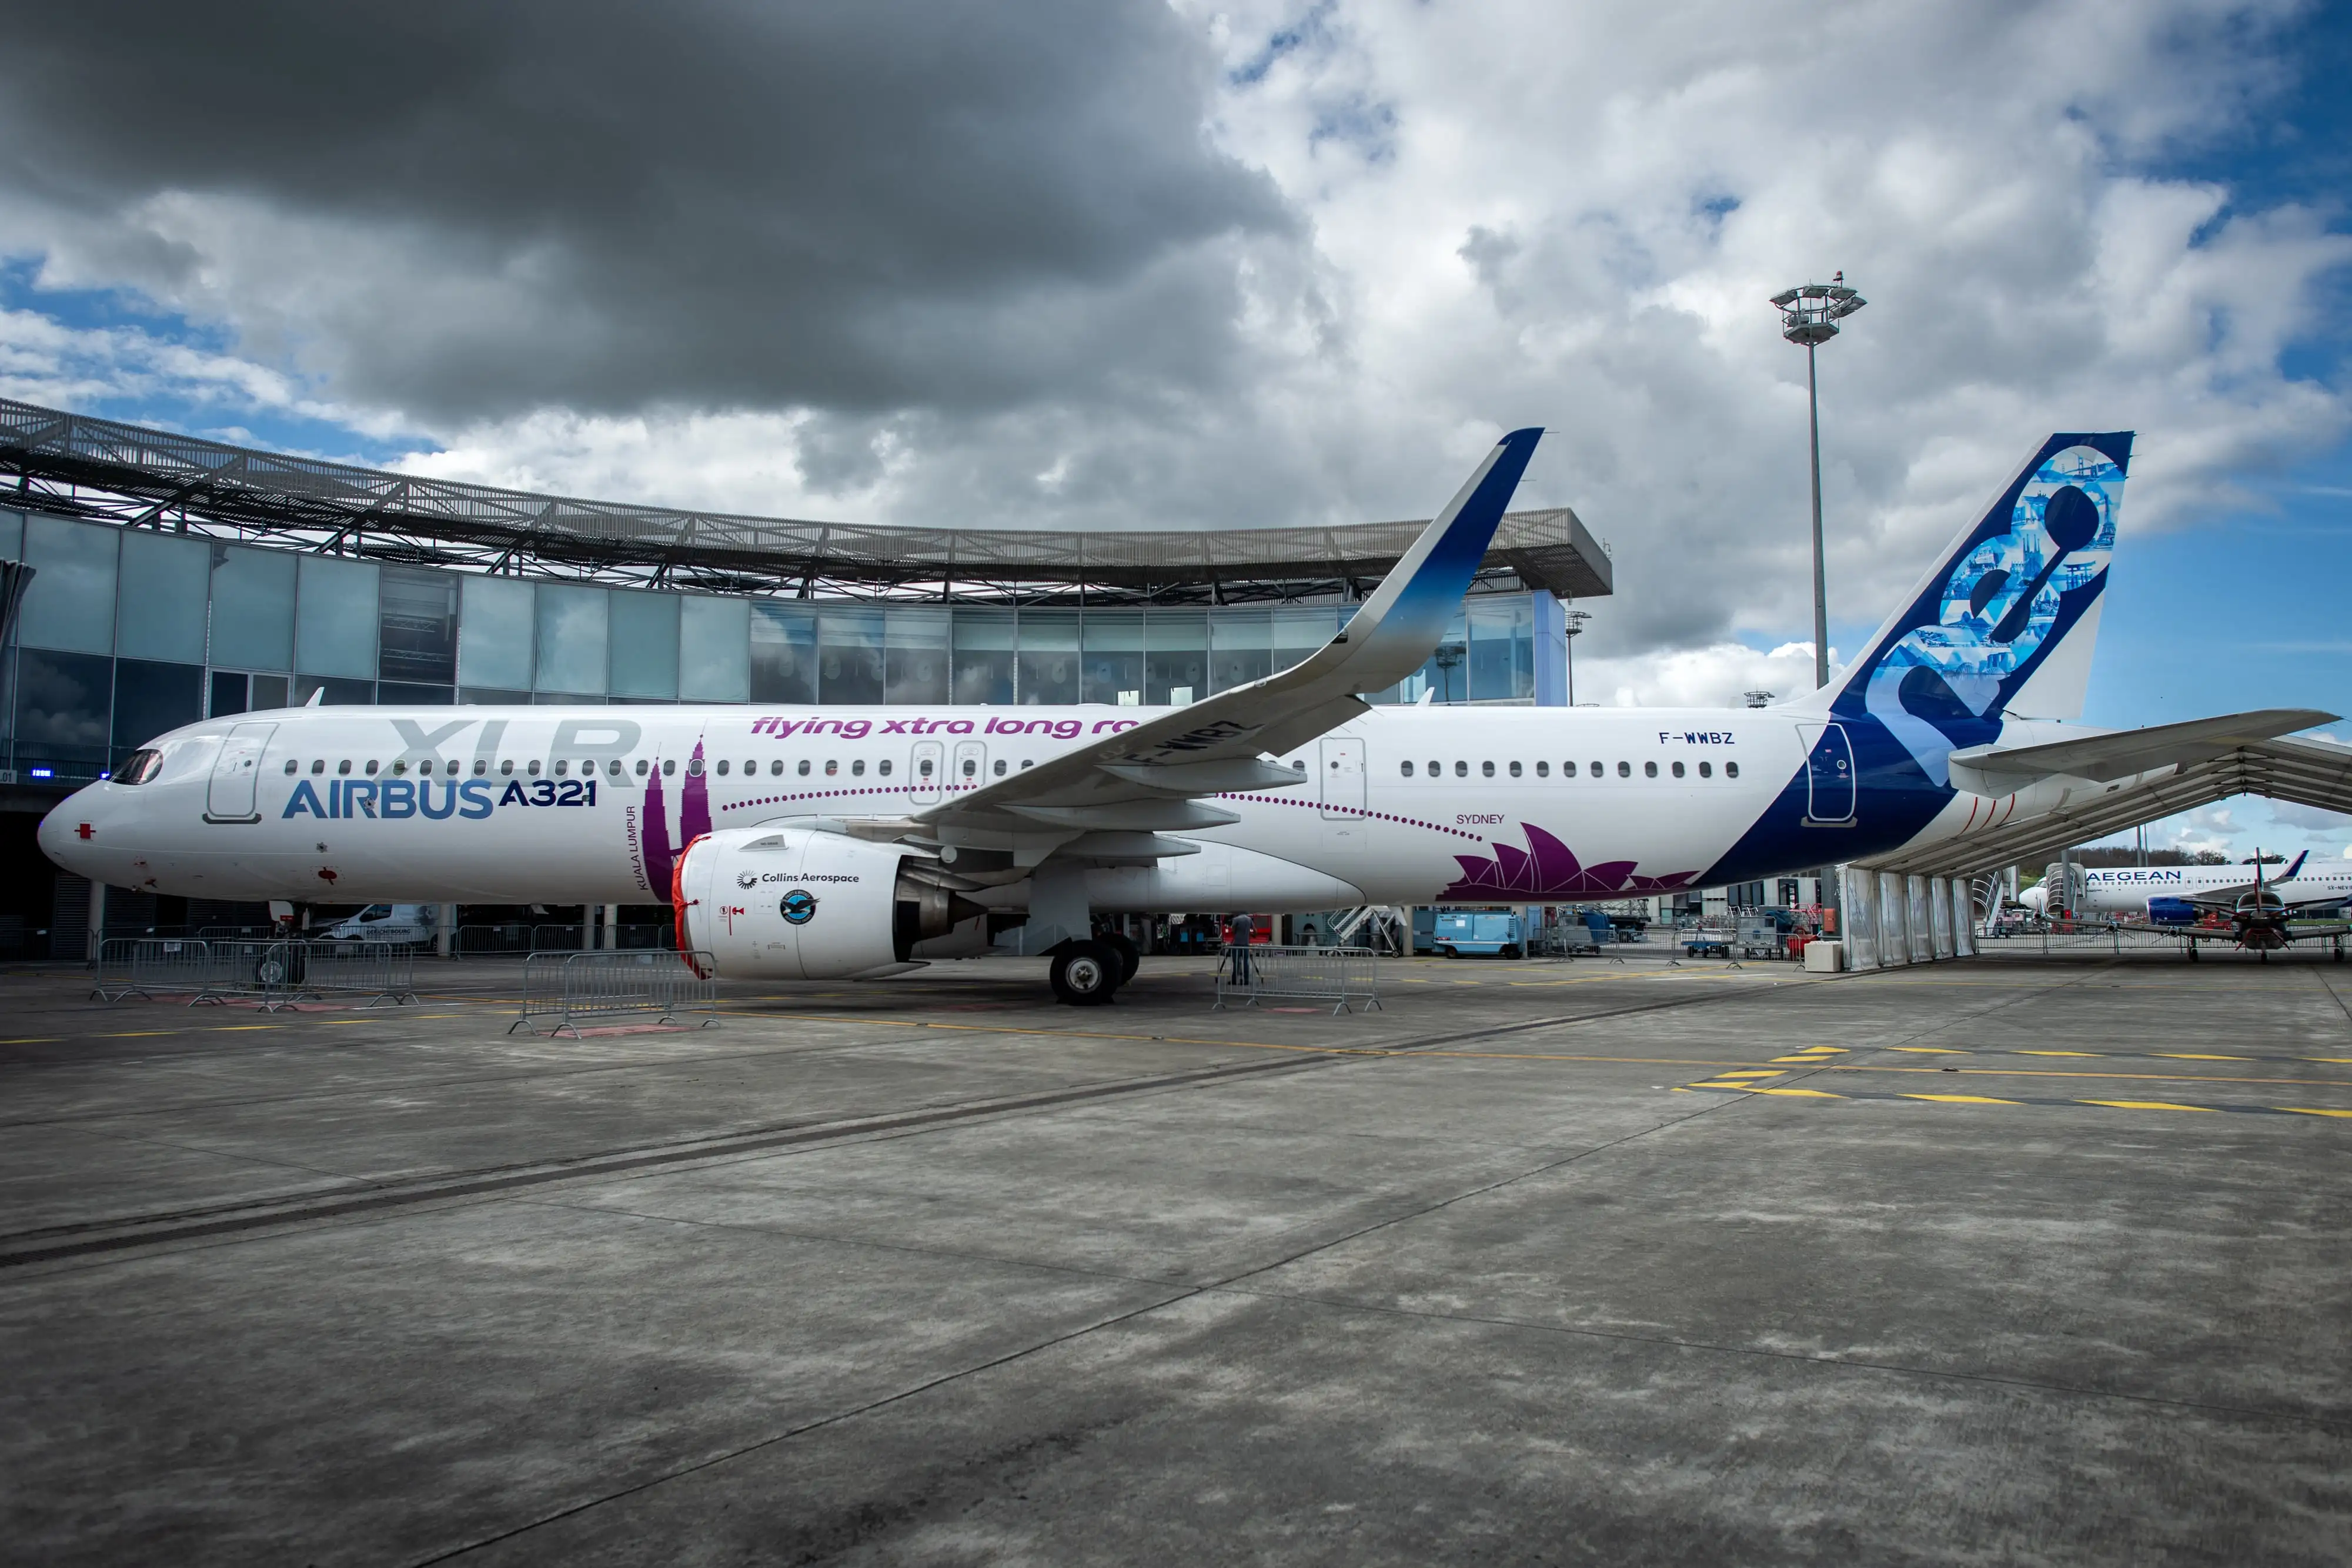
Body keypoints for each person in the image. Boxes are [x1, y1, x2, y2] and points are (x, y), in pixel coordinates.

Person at [1228, 912, 1255, 986]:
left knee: (1236, 963)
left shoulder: (1236, 920)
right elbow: (1255, 932)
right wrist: (1249, 934)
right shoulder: (1249, 920)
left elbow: (1233, 931)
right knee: (1246, 963)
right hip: (1246, 945)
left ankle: (1234, 980)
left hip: (1237, 944)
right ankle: (1246, 980)